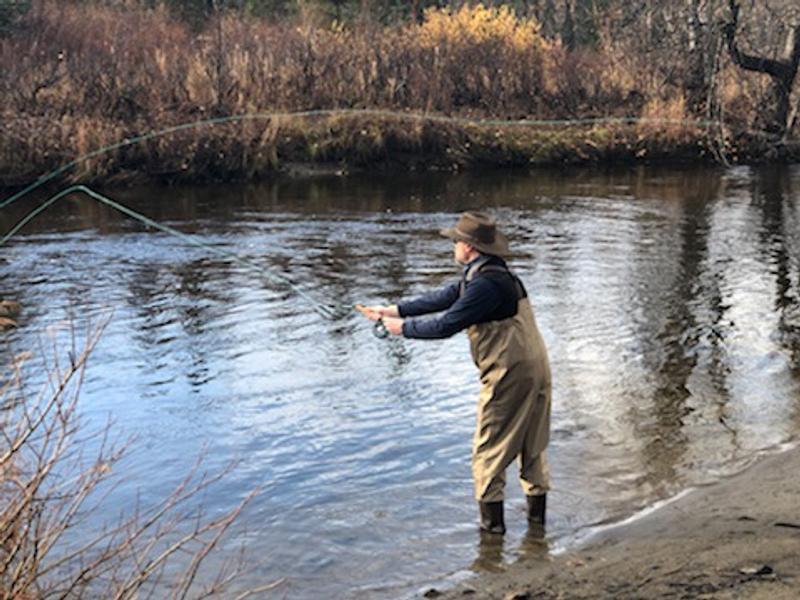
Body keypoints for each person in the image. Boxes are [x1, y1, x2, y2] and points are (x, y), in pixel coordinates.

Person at [357, 211, 551, 535]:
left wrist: (400, 329)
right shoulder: (491, 273)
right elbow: (444, 297)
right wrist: (391, 310)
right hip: (536, 369)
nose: (454, 246)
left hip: (509, 374)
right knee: (532, 447)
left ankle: (492, 537)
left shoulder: (486, 285)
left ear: (469, 247)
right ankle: (537, 530)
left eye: (456, 241)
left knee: (488, 451)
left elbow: (446, 324)